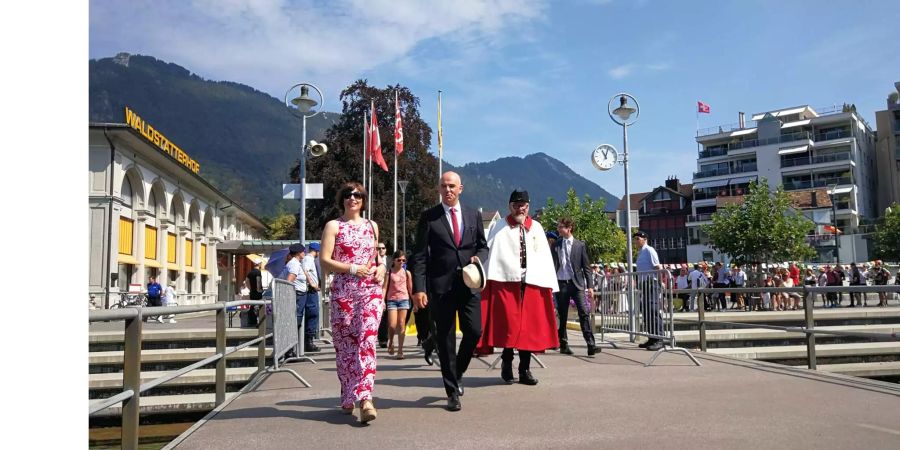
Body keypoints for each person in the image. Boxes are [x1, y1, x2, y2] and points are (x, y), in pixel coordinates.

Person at [409, 171, 489, 412]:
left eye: (452, 186)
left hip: (468, 284)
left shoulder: (473, 215)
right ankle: (452, 392)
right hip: (440, 288)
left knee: (474, 331)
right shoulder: (429, 217)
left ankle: (458, 371)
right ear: (439, 189)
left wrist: (479, 258)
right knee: (445, 341)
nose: (448, 190)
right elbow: (419, 256)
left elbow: (483, 247)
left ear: (460, 188)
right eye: (444, 186)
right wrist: (419, 289)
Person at [477, 190, 559, 386]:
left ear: (528, 206)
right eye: (516, 204)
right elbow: (491, 254)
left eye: (523, 205)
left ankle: (525, 369)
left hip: (531, 284)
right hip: (505, 283)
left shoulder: (536, 228)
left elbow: (543, 258)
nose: (519, 208)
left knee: (527, 328)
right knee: (508, 326)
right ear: (509, 206)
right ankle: (507, 363)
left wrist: (547, 283)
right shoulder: (500, 227)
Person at [319, 181, 386, 423]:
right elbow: (325, 261)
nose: (352, 198)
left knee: (367, 341)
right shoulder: (334, 226)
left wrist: (382, 270)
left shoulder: (372, 226)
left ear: (363, 200)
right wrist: (352, 267)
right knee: (346, 347)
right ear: (342, 199)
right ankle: (348, 393)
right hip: (343, 293)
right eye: (347, 194)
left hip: (370, 291)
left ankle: (366, 398)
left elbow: (377, 258)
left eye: (357, 195)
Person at [551, 217, 597, 356]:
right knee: (563, 315)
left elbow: (586, 267)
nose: (558, 229)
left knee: (584, 312)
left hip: (577, 284)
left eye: (560, 227)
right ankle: (563, 343)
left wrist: (590, 286)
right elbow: (552, 264)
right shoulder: (556, 244)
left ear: (569, 228)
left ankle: (591, 344)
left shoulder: (580, 245)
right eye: (558, 227)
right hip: (561, 283)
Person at [633, 231, 665, 351]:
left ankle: (659, 339)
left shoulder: (649, 250)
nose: (636, 241)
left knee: (653, 310)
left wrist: (660, 284)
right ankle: (651, 337)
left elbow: (658, 268)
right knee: (646, 311)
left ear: (645, 239)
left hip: (652, 284)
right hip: (645, 285)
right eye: (635, 239)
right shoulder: (641, 252)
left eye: (638, 239)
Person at [382, 250, 412, 359]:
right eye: (399, 260)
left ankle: (400, 350)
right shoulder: (389, 273)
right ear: (394, 260)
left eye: (404, 260)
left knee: (401, 323)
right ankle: (391, 341)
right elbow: (384, 287)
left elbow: (410, 288)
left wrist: (416, 303)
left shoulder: (407, 273)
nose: (401, 262)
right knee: (392, 324)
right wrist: (382, 300)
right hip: (392, 300)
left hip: (404, 299)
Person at [301, 242, 322, 352]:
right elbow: (305, 271)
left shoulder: (309, 259)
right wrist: (312, 283)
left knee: (313, 313)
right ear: (317, 251)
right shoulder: (308, 259)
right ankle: (308, 341)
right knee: (313, 313)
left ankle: (309, 340)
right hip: (311, 290)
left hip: (312, 289)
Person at [375, 243, 391, 348]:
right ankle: (382, 339)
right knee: (380, 315)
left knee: (387, 316)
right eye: (378, 248)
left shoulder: (390, 260)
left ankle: (387, 337)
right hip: (376, 289)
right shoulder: (372, 260)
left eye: (383, 248)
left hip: (390, 290)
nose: (381, 250)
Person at [245, 261, 263, 326]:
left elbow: (246, 282)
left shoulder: (250, 272)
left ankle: (252, 321)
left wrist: (250, 289)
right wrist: (259, 290)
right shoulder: (258, 272)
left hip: (252, 292)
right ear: (259, 264)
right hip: (257, 293)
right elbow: (258, 281)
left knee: (252, 306)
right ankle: (258, 322)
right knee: (259, 306)